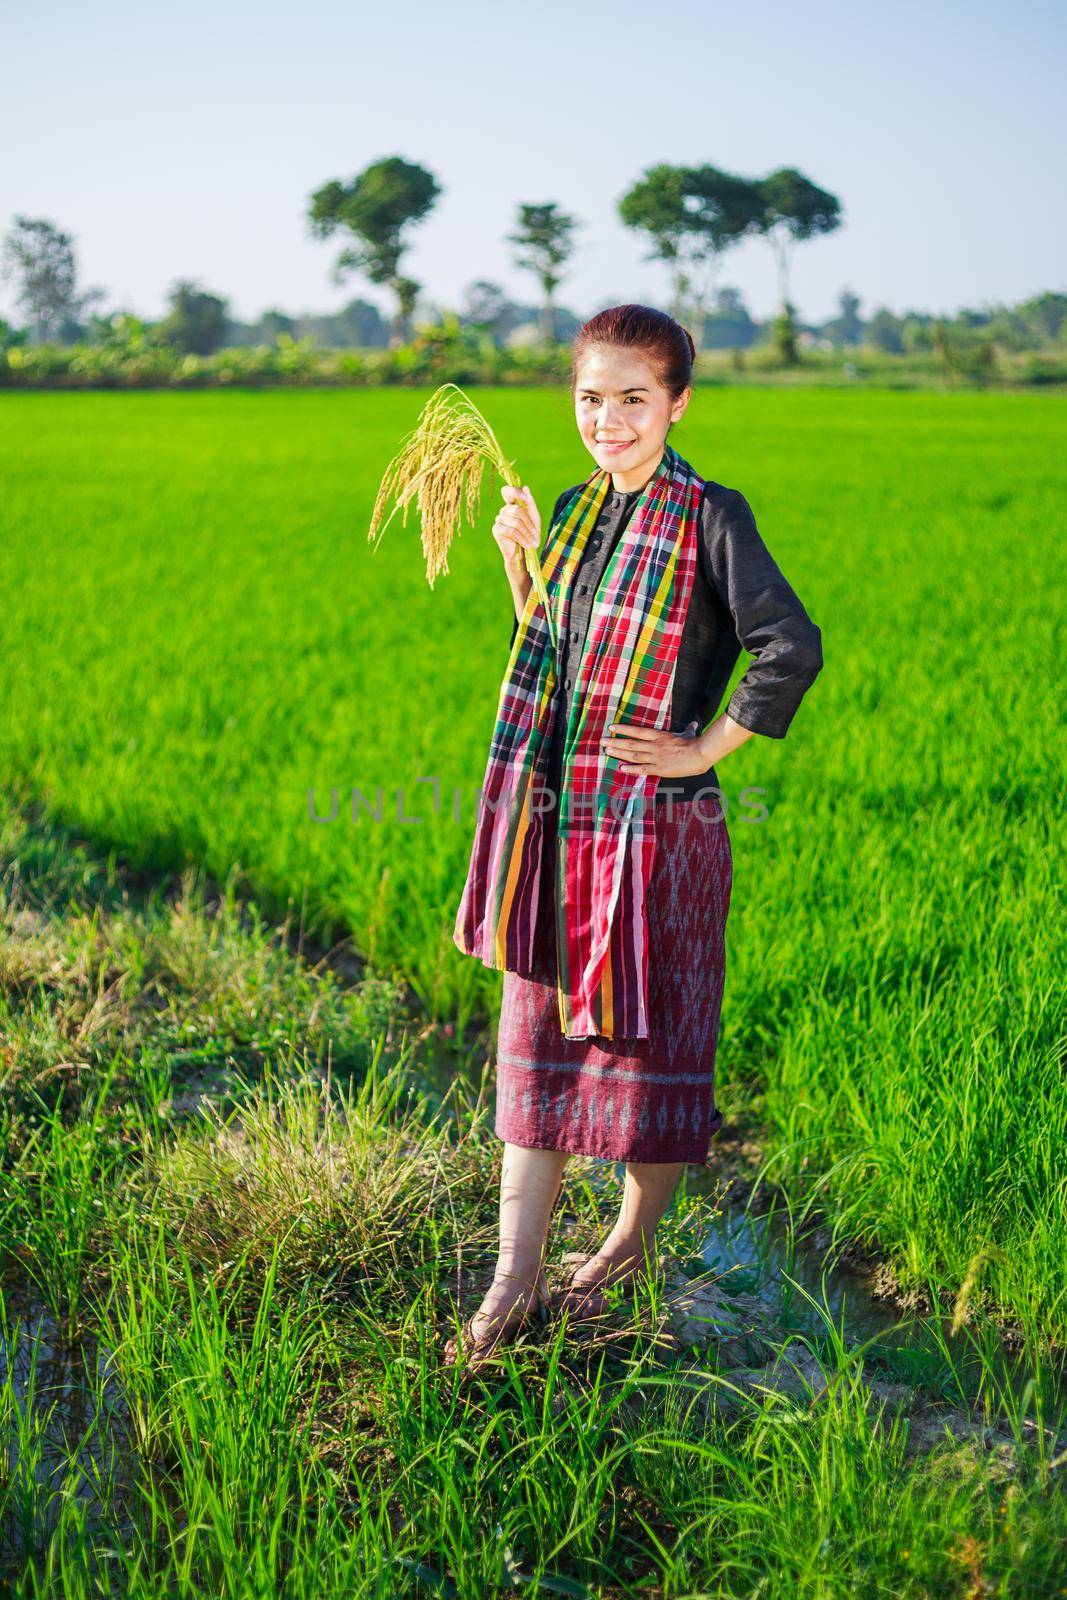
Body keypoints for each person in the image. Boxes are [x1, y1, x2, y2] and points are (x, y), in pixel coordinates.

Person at [445, 304, 824, 1368]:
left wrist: (702, 751)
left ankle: (627, 1241)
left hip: (657, 837)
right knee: (534, 1046)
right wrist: (519, 562)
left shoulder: (711, 515)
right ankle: (513, 1276)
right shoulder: (569, 512)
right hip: (557, 829)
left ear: (676, 403)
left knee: (646, 1055)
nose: (605, 420)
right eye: (588, 398)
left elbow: (787, 646)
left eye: (630, 399)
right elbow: (554, 652)